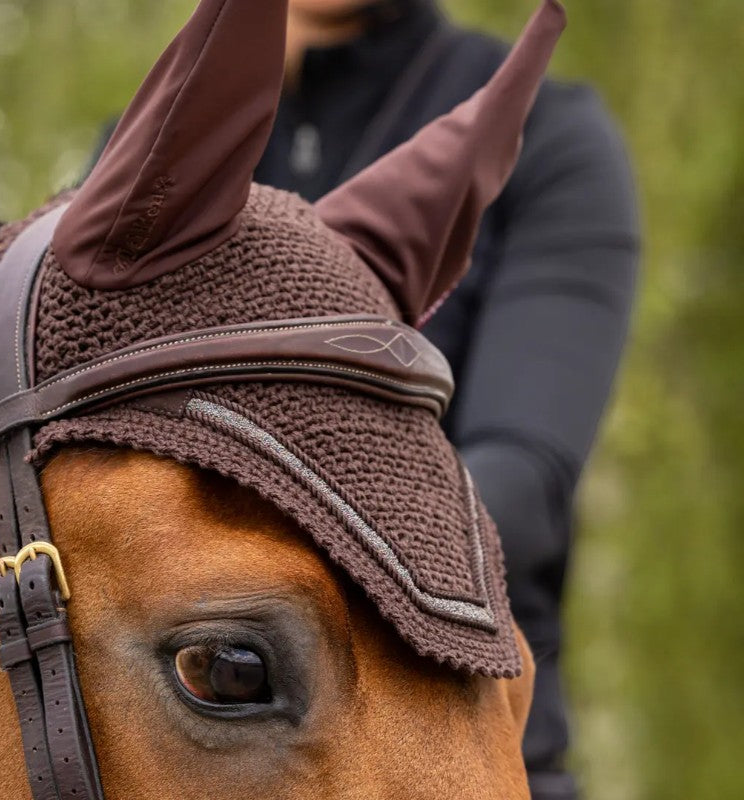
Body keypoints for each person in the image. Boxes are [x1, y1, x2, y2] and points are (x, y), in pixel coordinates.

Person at [253, 1, 639, 798]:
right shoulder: (145, 153)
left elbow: (517, 485)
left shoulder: (550, 136)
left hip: (454, 753)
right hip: (187, 752)